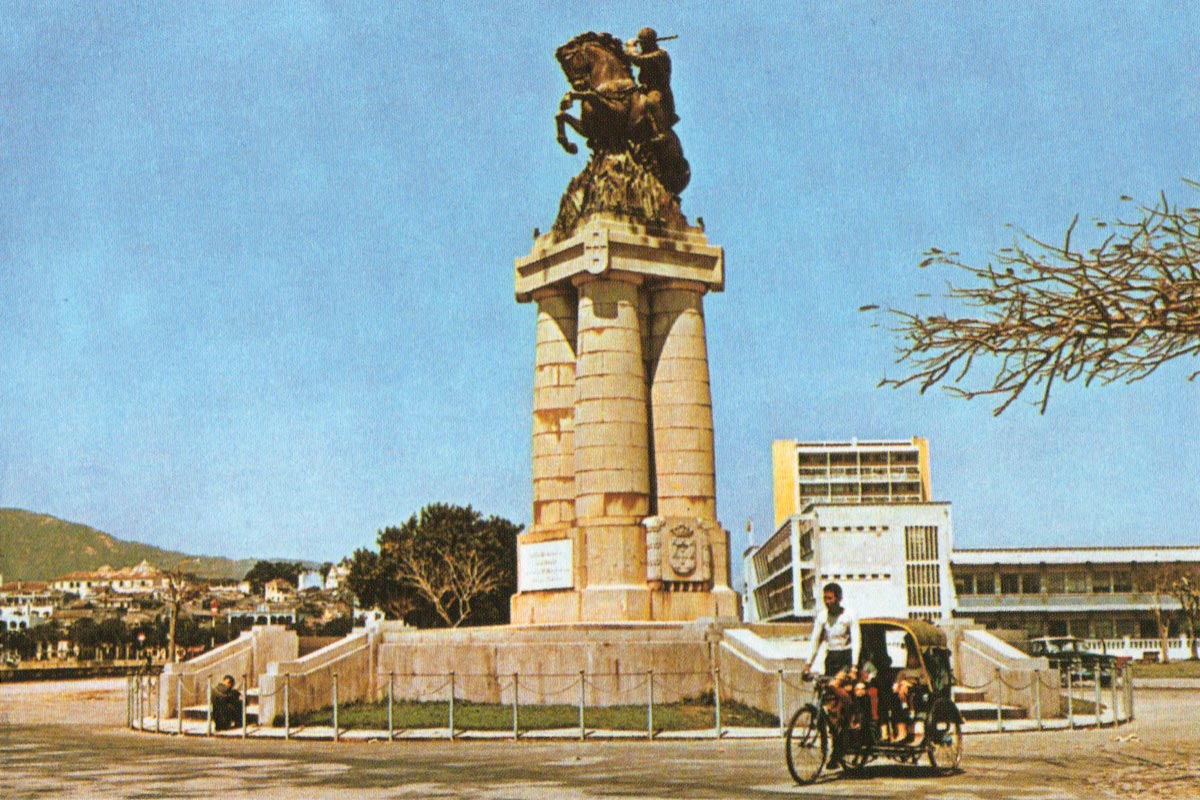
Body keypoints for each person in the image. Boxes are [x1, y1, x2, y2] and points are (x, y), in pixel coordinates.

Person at [624, 27, 677, 141]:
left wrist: (631, 47)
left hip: (658, 91)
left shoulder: (660, 55)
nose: (642, 47)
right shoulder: (645, 53)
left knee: (653, 101)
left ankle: (661, 132)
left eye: (643, 44)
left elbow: (638, 60)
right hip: (644, 89)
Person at [803, 582, 861, 678]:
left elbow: (856, 641)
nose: (827, 602)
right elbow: (815, 641)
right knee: (827, 687)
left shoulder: (849, 615)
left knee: (834, 685)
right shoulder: (822, 616)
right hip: (831, 657)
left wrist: (854, 667)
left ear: (839, 599)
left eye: (830, 598)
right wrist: (808, 666)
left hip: (846, 656)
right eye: (825, 598)